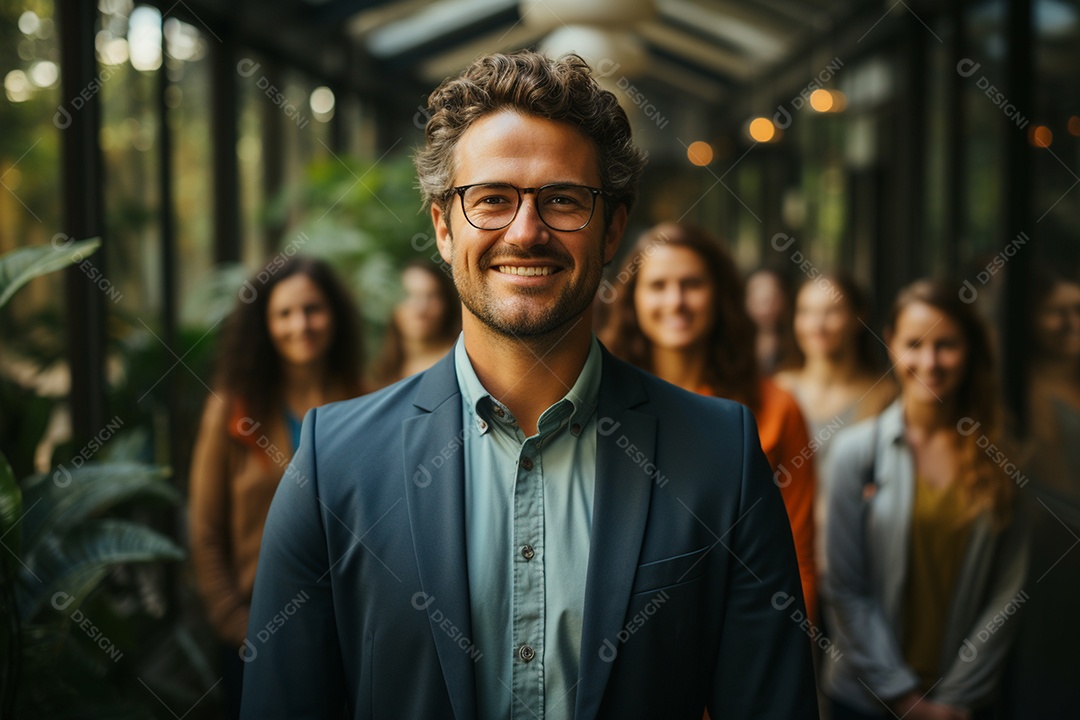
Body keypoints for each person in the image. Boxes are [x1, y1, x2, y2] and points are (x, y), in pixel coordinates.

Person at [240, 51, 817, 719]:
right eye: (491, 200)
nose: (526, 231)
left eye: (563, 200)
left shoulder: (724, 457)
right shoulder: (333, 465)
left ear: (613, 230)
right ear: (442, 226)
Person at [823, 279, 1028, 720]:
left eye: (946, 345)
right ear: (891, 345)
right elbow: (845, 589)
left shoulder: (1000, 457)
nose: (929, 362)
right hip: (865, 702)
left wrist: (952, 701)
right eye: (914, 344)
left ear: (970, 351)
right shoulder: (855, 453)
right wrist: (904, 700)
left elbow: (1008, 592)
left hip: (965, 705)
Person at [600, 222, 818, 622]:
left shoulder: (776, 408)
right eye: (659, 285)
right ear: (632, 299)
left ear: (720, 295)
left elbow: (799, 557)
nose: (676, 300)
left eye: (692, 284)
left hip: (741, 631)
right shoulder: (600, 403)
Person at [188, 255, 363, 718]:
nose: (300, 325)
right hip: (255, 632)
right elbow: (205, 530)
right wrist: (237, 625)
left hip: (348, 631)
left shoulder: (366, 401)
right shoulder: (231, 409)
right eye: (284, 313)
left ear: (335, 316)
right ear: (263, 324)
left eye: (313, 309)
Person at [774, 274, 897, 576]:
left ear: (859, 316)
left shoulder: (885, 396)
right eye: (806, 312)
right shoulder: (777, 391)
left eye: (831, 312)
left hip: (859, 559)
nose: (817, 324)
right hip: (784, 554)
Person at [370, 258, 460, 388]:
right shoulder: (380, 370)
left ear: (447, 303)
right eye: (408, 295)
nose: (421, 308)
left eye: (432, 296)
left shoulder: (462, 363)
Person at [745, 267, 797, 375]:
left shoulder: (799, 343)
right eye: (759, 299)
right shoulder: (732, 345)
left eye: (773, 298)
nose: (766, 307)